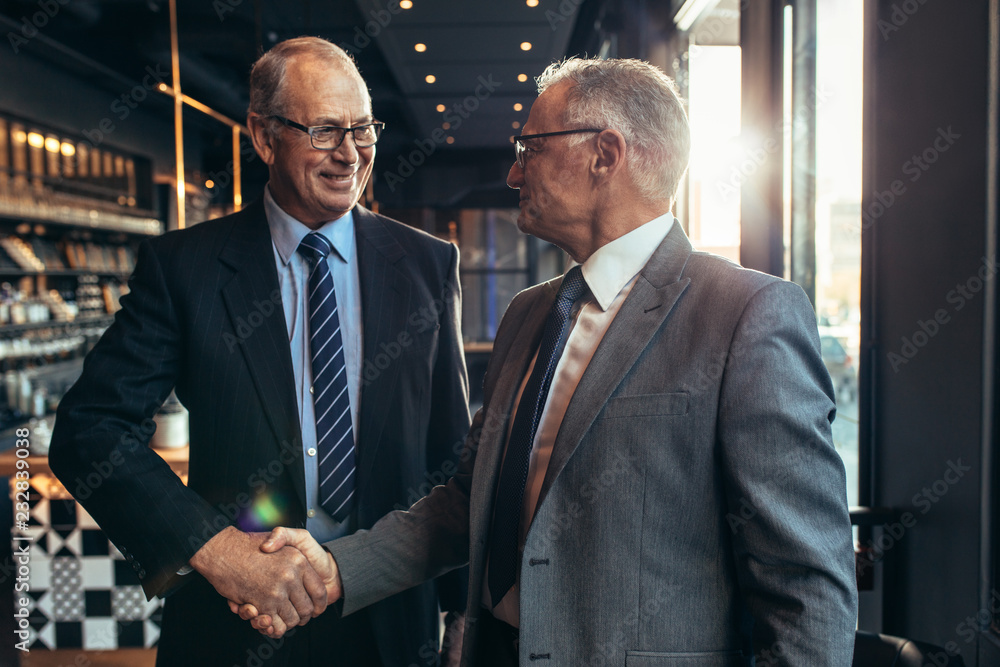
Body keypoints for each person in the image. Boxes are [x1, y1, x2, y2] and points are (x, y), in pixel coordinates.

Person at [240, 56, 858, 665]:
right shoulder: (529, 315)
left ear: (605, 155)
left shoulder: (745, 314)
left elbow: (805, 588)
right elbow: (464, 503)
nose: (513, 174)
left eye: (529, 146)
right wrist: (333, 568)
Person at [48, 37, 470, 666]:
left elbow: (451, 456)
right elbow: (89, 430)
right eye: (325, 130)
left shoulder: (428, 264)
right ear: (264, 136)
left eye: (363, 129)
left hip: (390, 623)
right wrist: (218, 551)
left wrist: (462, 613)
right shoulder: (183, 267)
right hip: (232, 623)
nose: (350, 154)